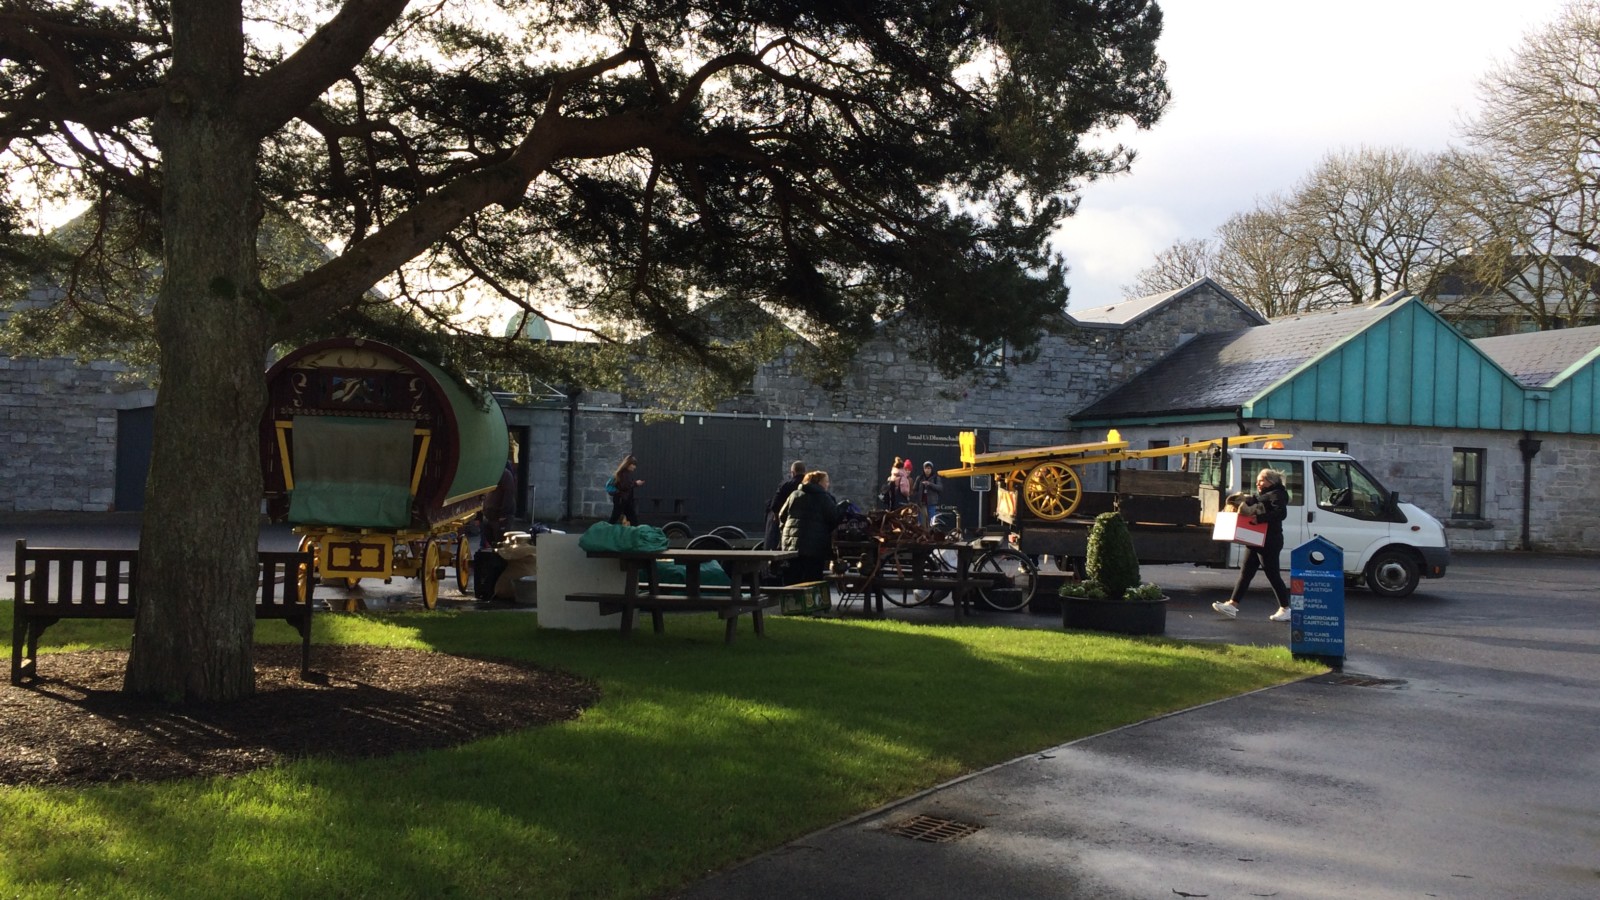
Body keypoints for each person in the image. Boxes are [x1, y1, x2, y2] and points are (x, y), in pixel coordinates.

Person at [1213, 468, 1292, 622]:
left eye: (1261, 480)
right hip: (1255, 538)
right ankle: (1232, 605)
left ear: (1270, 481)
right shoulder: (1263, 495)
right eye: (1257, 481)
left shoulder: (1277, 494)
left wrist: (1260, 519)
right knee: (1246, 573)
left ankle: (1285, 608)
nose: (1257, 483)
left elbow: (1281, 513)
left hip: (1269, 540)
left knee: (1272, 574)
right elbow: (1252, 502)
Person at [778, 470, 846, 584]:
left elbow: (782, 516)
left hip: (791, 545)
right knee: (812, 580)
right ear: (819, 482)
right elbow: (833, 518)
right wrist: (843, 507)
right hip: (815, 546)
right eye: (826, 481)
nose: (828, 484)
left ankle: (791, 595)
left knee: (792, 578)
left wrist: (786, 534)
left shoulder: (794, 495)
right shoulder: (823, 497)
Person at [764, 460, 806, 552]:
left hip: (787, 527)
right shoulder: (810, 486)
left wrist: (776, 519)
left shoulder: (785, 485)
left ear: (793, 472)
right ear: (804, 472)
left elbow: (775, 505)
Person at [607, 454, 643, 525]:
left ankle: (635, 530)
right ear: (628, 464)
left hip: (624, 499)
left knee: (632, 518)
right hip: (621, 499)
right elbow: (624, 486)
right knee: (615, 518)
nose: (635, 467)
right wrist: (636, 483)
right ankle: (606, 530)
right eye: (633, 465)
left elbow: (626, 485)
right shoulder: (623, 473)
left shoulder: (625, 473)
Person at [914, 460, 943, 525]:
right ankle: (922, 530)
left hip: (931, 503)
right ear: (923, 469)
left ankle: (930, 531)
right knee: (921, 522)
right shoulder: (919, 478)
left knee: (931, 522)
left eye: (929, 468)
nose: (927, 470)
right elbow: (915, 489)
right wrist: (917, 499)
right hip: (921, 503)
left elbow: (940, 488)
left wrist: (930, 484)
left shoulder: (936, 478)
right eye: (926, 468)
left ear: (931, 469)